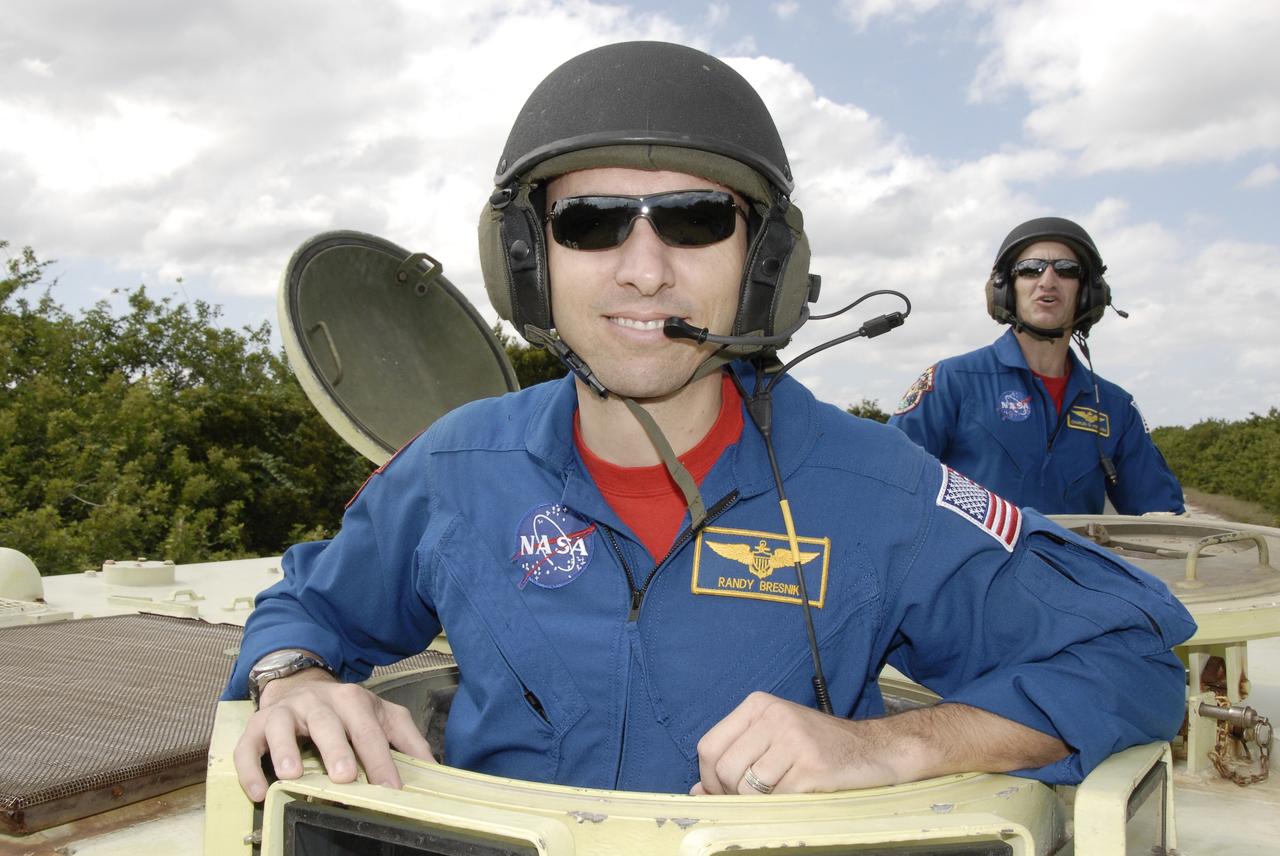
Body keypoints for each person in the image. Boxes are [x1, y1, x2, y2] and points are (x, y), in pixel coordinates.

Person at [225, 42, 1195, 802]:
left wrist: (889, 744)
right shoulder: (452, 468)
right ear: (528, 261)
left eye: (692, 220)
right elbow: (306, 608)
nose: (643, 268)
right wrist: (293, 677)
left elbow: (1129, 655)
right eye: (589, 222)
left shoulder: (871, 487)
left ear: (761, 264)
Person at [888, 217, 1185, 515]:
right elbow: (888, 484)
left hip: (1070, 563)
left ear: (1087, 293)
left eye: (1067, 270)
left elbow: (1161, 518)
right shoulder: (951, 382)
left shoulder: (1115, 407)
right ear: (1005, 289)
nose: (1048, 281)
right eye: (1031, 269)